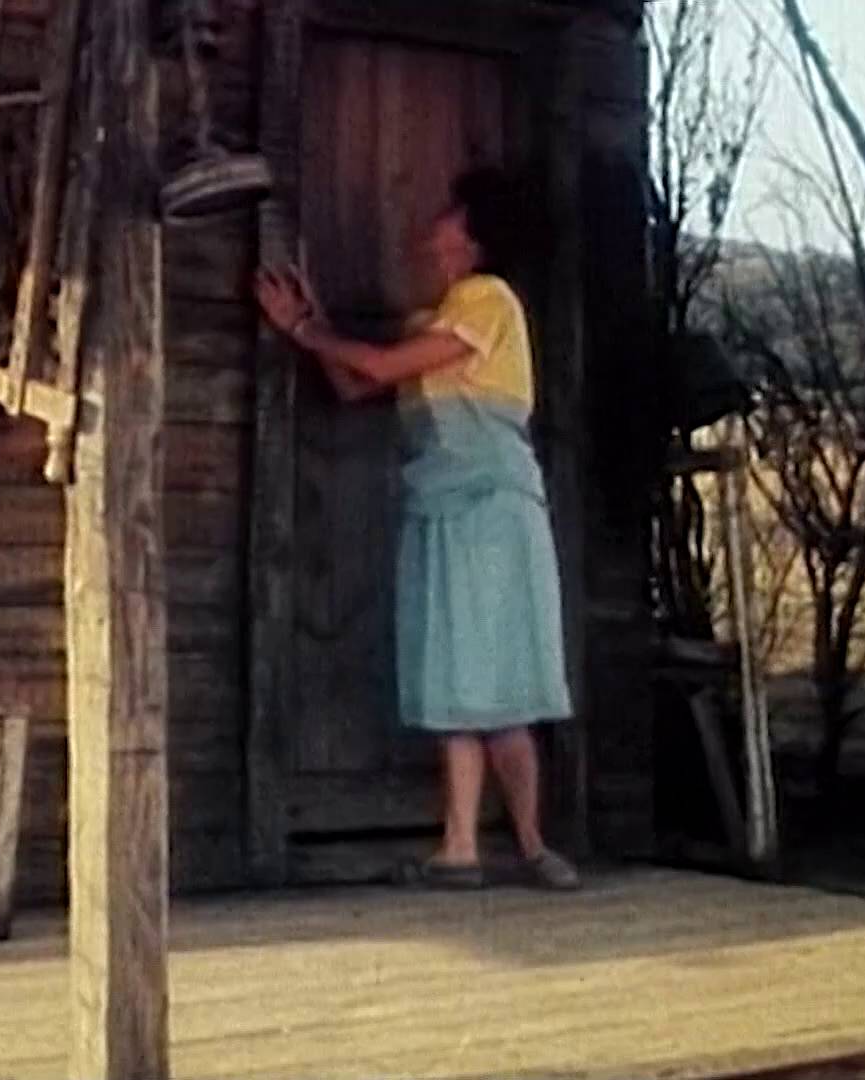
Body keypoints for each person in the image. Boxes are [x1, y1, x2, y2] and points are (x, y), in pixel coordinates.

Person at [253, 166, 580, 891]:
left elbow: (376, 364)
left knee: (505, 678)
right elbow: (355, 383)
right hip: (445, 509)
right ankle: (461, 848)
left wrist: (304, 328)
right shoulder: (437, 323)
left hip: (490, 511)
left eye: (451, 214)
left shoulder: (488, 299)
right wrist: (313, 320)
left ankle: (532, 844)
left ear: (474, 238)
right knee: (458, 676)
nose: (437, 224)